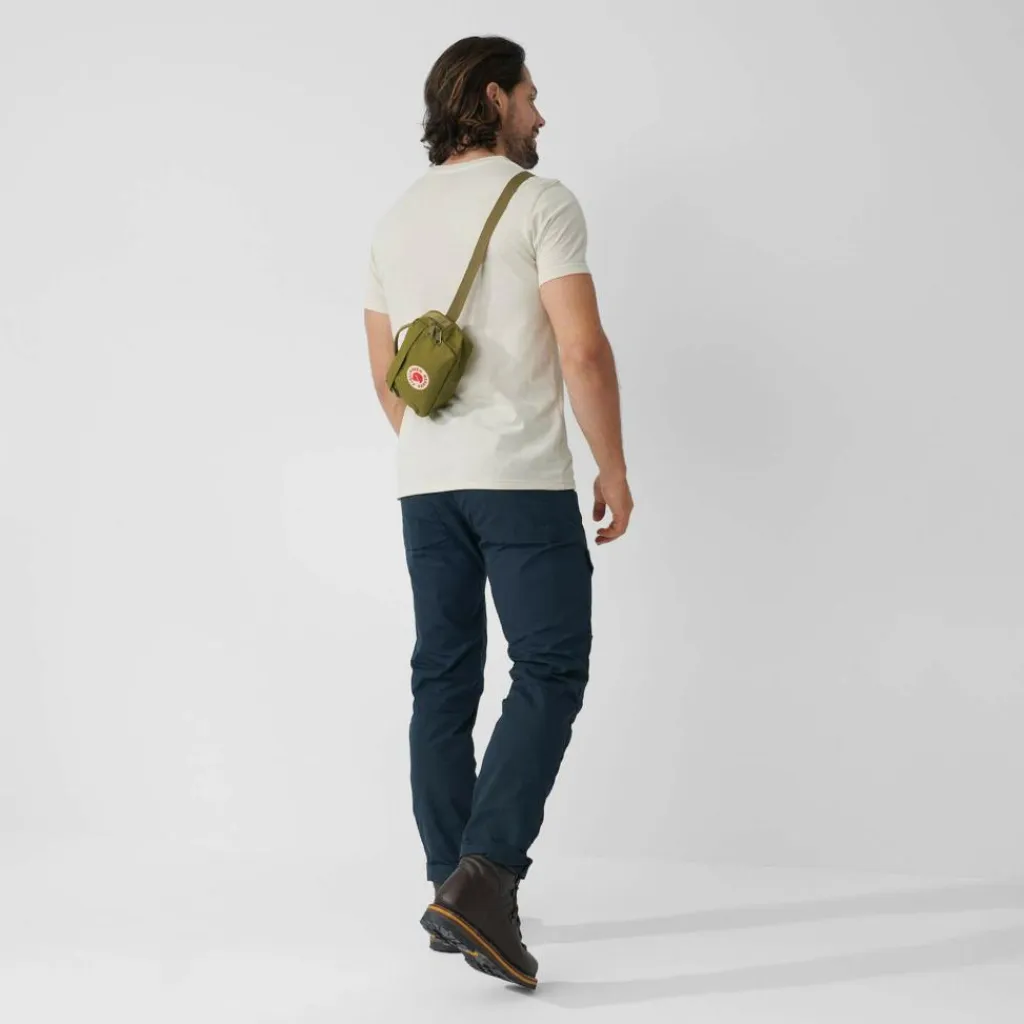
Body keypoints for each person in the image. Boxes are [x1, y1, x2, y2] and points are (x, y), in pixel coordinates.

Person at [363, 35, 633, 990]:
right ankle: (484, 881)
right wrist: (613, 466)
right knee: (550, 667)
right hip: (520, 480)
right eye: (530, 95)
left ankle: (451, 884)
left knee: (443, 677)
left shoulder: (394, 219)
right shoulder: (541, 202)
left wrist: (437, 451)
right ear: (492, 98)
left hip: (425, 484)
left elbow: (387, 377)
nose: (540, 113)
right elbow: (583, 350)